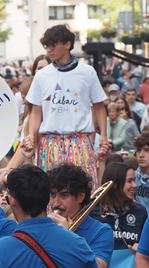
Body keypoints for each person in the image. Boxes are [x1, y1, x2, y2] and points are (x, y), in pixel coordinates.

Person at [23, 25, 110, 186]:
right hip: (50, 143)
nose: (49, 49)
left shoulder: (87, 72)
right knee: (51, 191)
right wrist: (30, 136)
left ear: (68, 44)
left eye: (53, 45)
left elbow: (99, 106)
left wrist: (103, 135)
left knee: (82, 190)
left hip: (80, 141)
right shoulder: (42, 75)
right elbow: (36, 111)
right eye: (46, 45)